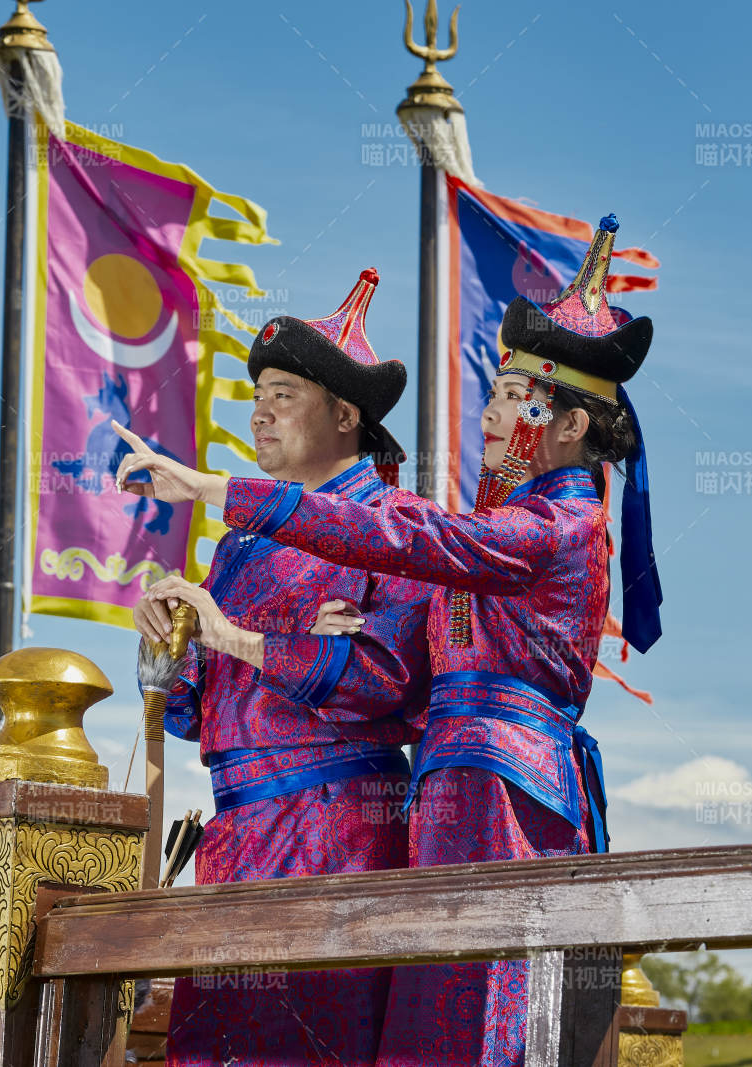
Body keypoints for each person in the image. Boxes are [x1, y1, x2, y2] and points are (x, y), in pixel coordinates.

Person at [117, 215, 662, 1066]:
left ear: (572, 426)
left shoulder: (531, 527)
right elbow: (197, 709)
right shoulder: (274, 548)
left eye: (517, 399)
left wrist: (240, 601)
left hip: (396, 811)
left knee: (463, 1034)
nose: (490, 416)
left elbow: (381, 673)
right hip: (321, 816)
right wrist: (184, 649)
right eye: (493, 393)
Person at [135, 269, 432, 1067]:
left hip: (339, 824)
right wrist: (169, 643)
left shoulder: (396, 524)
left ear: (345, 413)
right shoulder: (240, 544)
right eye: (258, 391)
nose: (261, 410)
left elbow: (383, 679)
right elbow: (194, 711)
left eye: (285, 392)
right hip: (235, 834)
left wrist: (236, 636)